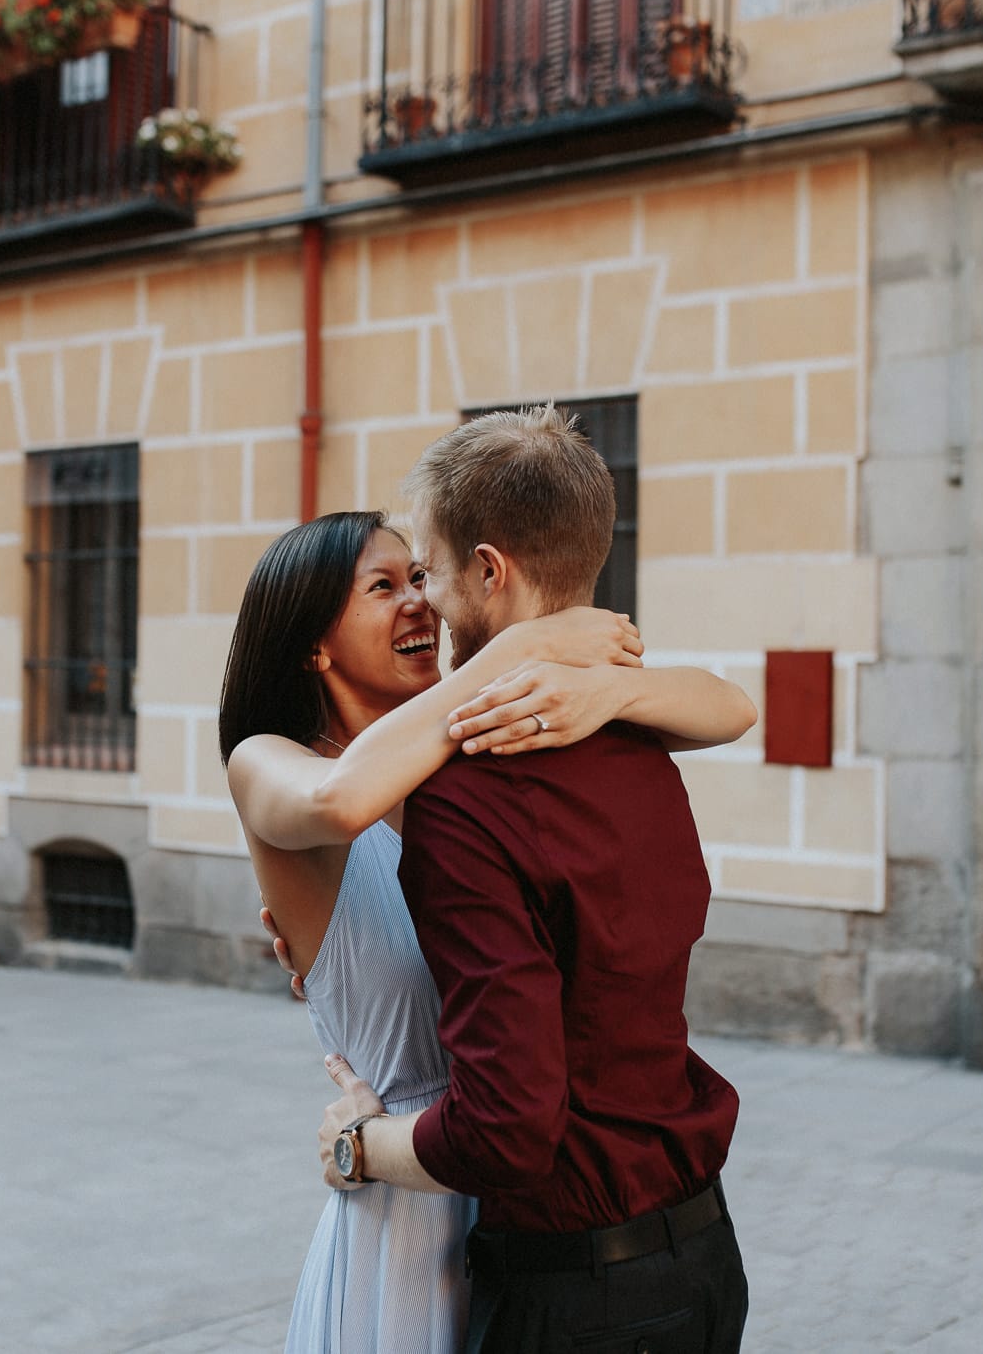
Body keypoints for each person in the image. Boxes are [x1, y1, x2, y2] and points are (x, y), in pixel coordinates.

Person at [219, 509, 755, 1354]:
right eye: (384, 586)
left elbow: (727, 707)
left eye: (421, 578)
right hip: (407, 1204)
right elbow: (340, 802)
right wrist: (517, 650)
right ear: (313, 643)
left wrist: (606, 684)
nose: (420, 603)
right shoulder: (270, 761)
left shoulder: (471, 753)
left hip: (532, 1201)